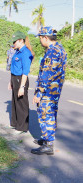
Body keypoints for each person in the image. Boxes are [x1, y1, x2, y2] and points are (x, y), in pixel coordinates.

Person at [31, 26, 67, 155]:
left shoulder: (52, 52)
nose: (40, 41)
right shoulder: (60, 49)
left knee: (46, 115)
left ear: (45, 37)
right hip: (55, 90)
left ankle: (48, 145)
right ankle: (47, 138)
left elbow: (46, 74)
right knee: (51, 114)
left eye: (40, 38)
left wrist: (39, 93)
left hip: (48, 91)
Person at [8, 31, 34, 134]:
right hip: (15, 78)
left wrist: (22, 86)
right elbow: (14, 67)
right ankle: (15, 123)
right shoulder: (17, 51)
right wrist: (10, 81)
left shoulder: (26, 53)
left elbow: (25, 72)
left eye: (14, 41)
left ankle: (22, 127)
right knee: (15, 102)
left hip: (21, 79)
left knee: (21, 104)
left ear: (20, 40)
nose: (13, 43)